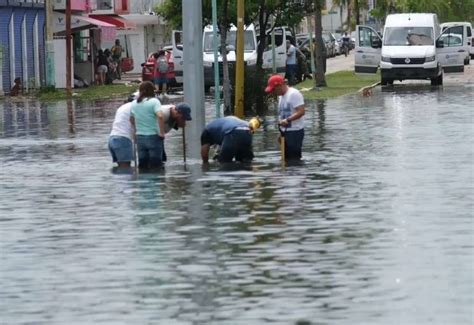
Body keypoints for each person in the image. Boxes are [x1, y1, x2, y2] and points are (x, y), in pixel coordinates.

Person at [265, 74, 305, 160]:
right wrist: (281, 134)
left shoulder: (294, 94)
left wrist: (288, 120)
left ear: (279, 85)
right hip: (285, 133)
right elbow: (283, 115)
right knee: (286, 160)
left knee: (294, 160)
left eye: (273, 89)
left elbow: (301, 111)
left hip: (295, 132)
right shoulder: (281, 97)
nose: (273, 92)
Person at [129, 81, 164, 169]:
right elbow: (160, 116)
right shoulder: (154, 101)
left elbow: (131, 119)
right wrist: (162, 133)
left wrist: (135, 132)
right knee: (156, 166)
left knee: (143, 166)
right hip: (153, 137)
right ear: (152, 91)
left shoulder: (134, 103)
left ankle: (143, 182)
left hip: (140, 138)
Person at [108, 101, 134, 168]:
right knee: (125, 170)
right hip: (123, 139)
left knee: (121, 170)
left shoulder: (122, 107)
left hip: (112, 138)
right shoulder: (135, 107)